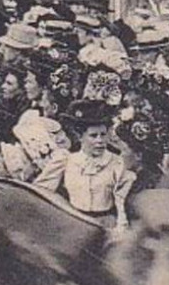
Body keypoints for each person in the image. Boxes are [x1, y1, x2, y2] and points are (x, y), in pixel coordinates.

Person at [44, 99, 135, 231]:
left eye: (103, 135)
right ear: (80, 136)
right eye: (93, 136)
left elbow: (122, 203)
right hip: (73, 224)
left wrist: (120, 229)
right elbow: (43, 192)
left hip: (106, 226)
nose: (100, 141)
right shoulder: (66, 161)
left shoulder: (117, 163)